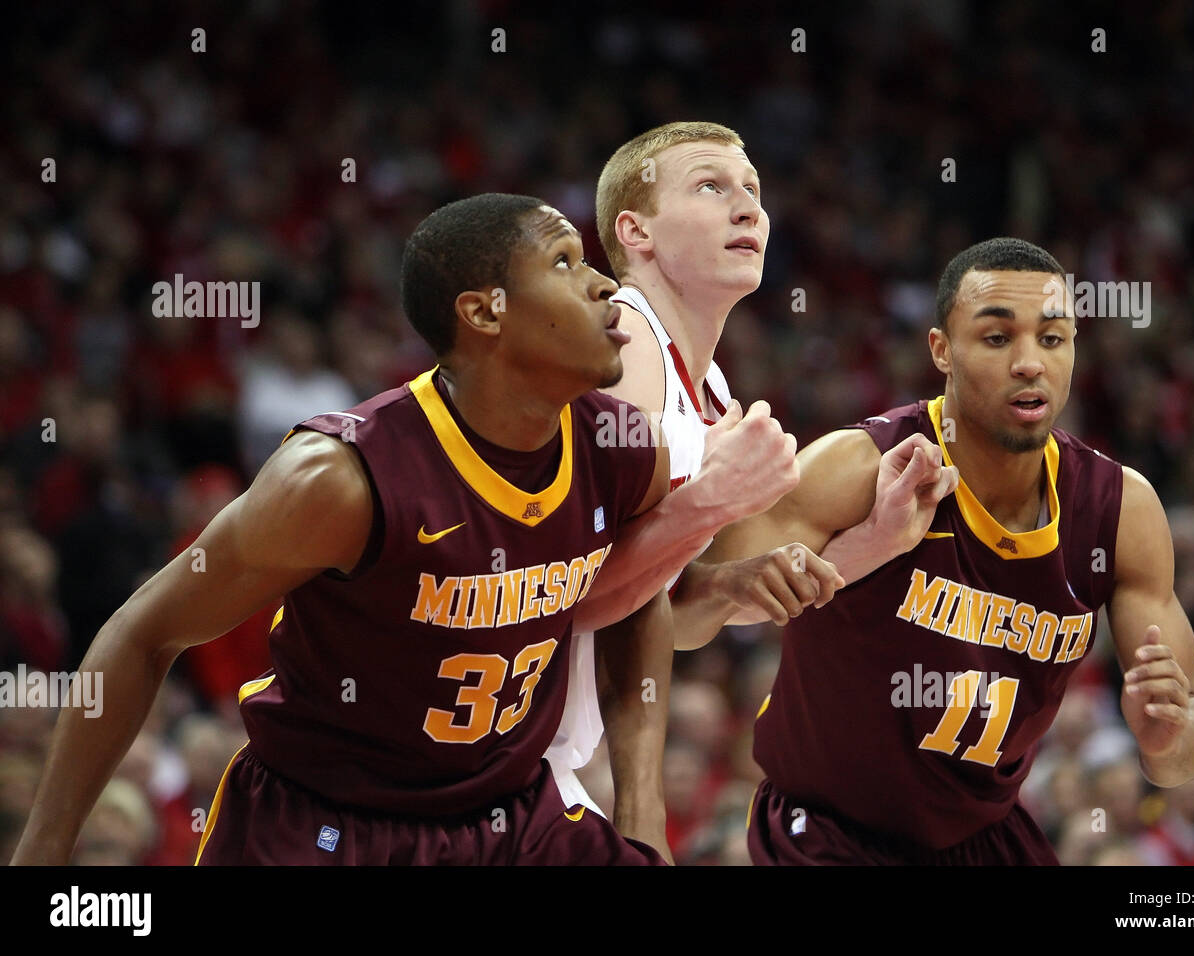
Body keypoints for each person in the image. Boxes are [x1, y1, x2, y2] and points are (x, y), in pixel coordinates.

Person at [10, 193, 801, 866]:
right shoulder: (340, 480)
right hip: (326, 826)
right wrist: (41, 859)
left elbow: (628, 601)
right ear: (485, 310)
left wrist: (639, 814)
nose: (604, 285)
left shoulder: (621, 450)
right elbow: (141, 634)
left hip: (507, 820)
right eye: (565, 263)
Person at [682, 237, 1194, 865]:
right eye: (997, 338)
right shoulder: (859, 466)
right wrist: (723, 546)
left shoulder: (1120, 509)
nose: (1030, 363)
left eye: (1053, 338)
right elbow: (684, 620)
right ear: (941, 349)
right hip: (829, 830)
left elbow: (1190, 743)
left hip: (982, 836)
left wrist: (1164, 738)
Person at [548, 121, 958, 860]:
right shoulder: (627, 342)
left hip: (540, 758)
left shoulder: (707, 386)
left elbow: (676, 610)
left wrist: (875, 541)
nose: (748, 209)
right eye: (712, 186)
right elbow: (581, 596)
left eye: (754, 192)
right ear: (635, 231)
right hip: (482, 754)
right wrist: (642, 820)